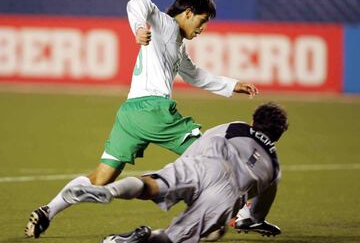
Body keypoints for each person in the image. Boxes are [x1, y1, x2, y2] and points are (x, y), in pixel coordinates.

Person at [24, 0, 258, 238]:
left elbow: (196, 75)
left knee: (101, 177)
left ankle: (48, 210)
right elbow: (138, 2)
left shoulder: (177, 46)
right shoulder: (165, 24)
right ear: (188, 13)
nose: (202, 29)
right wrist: (138, 27)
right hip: (153, 111)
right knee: (216, 152)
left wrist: (233, 85)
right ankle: (239, 214)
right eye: (202, 21)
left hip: (130, 115)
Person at [62, 102, 288, 243]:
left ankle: (110, 191)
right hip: (228, 196)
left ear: (253, 121)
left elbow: (205, 141)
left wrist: (181, 174)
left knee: (150, 185)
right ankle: (139, 239)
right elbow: (258, 210)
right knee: (173, 237)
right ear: (278, 135)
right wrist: (251, 219)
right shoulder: (275, 167)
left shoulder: (238, 126)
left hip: (206, 165)